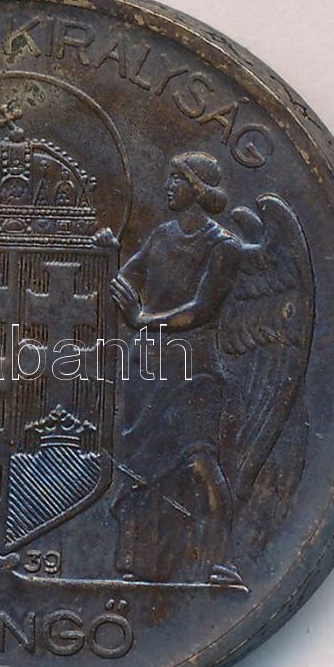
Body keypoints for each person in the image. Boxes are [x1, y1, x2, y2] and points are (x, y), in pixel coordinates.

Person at [108, 151, 241, 583]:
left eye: (176, 179)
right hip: (148, 369)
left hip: (194, 371)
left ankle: (220, 559)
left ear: (197, 189)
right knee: (139, 469)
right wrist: (103, 256)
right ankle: (135, 564)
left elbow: (201, 310)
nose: (167, 186)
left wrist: (142, 320)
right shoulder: (160, 237)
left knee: (199, 464)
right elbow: (124, 279)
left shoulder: (223, 247)